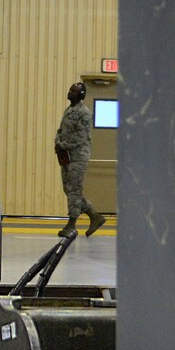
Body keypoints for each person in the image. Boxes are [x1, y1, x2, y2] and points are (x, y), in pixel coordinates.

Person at [54, 82, 106, 238]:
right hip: (66, 156)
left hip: (78, 156)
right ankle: (94, 215)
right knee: (68, 189)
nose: (69, 92)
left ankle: (71, 224)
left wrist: (63, 145)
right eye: (70, 89)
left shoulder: (85, 113)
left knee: (74, 190)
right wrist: (57, 142)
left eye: (73, 91)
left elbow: (80, 136)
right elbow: (61, 130)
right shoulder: (68, 110)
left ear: (81, 95)